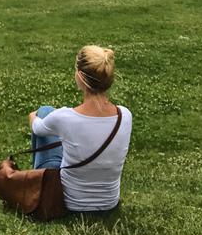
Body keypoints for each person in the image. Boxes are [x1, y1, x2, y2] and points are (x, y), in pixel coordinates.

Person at [28, 46, 132, 213]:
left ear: (81, 76)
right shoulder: (125, 115)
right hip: (109, 202)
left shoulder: (65, 117)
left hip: (70, 202)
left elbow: (37, 128)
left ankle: (38, 187)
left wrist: (33, 115)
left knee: (45, 111)